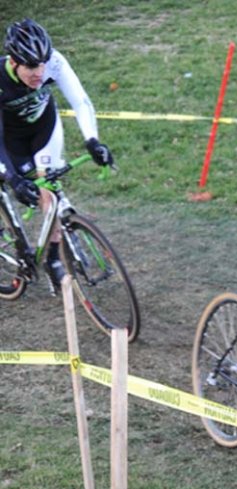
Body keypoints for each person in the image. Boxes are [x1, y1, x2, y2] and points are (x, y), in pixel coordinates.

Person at [1, 18, 114, 288]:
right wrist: (13, 179)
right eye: (31, 66)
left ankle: (53, 258)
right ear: (14, 62)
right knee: (13, 180)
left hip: (44, 129)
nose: (39, 72)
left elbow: (80, 100)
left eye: (42, 63)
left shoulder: (53, 62)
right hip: (7, 140)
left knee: (48, 190)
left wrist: (92, 141)